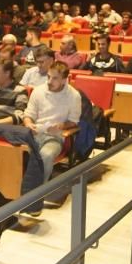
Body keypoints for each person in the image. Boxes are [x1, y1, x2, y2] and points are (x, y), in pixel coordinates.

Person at [21, 62, 81, 215]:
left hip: (55, 136)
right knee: (9, 149)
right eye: (48, 77)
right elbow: (29, 114)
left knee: (46, 155)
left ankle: (35, 199)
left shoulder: (73, 96)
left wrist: (61, 126)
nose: (49, 81)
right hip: (34, 133)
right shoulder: (38, 91)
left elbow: (74, 121)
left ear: (64, 79)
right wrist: (29, 124)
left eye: (54, 78)